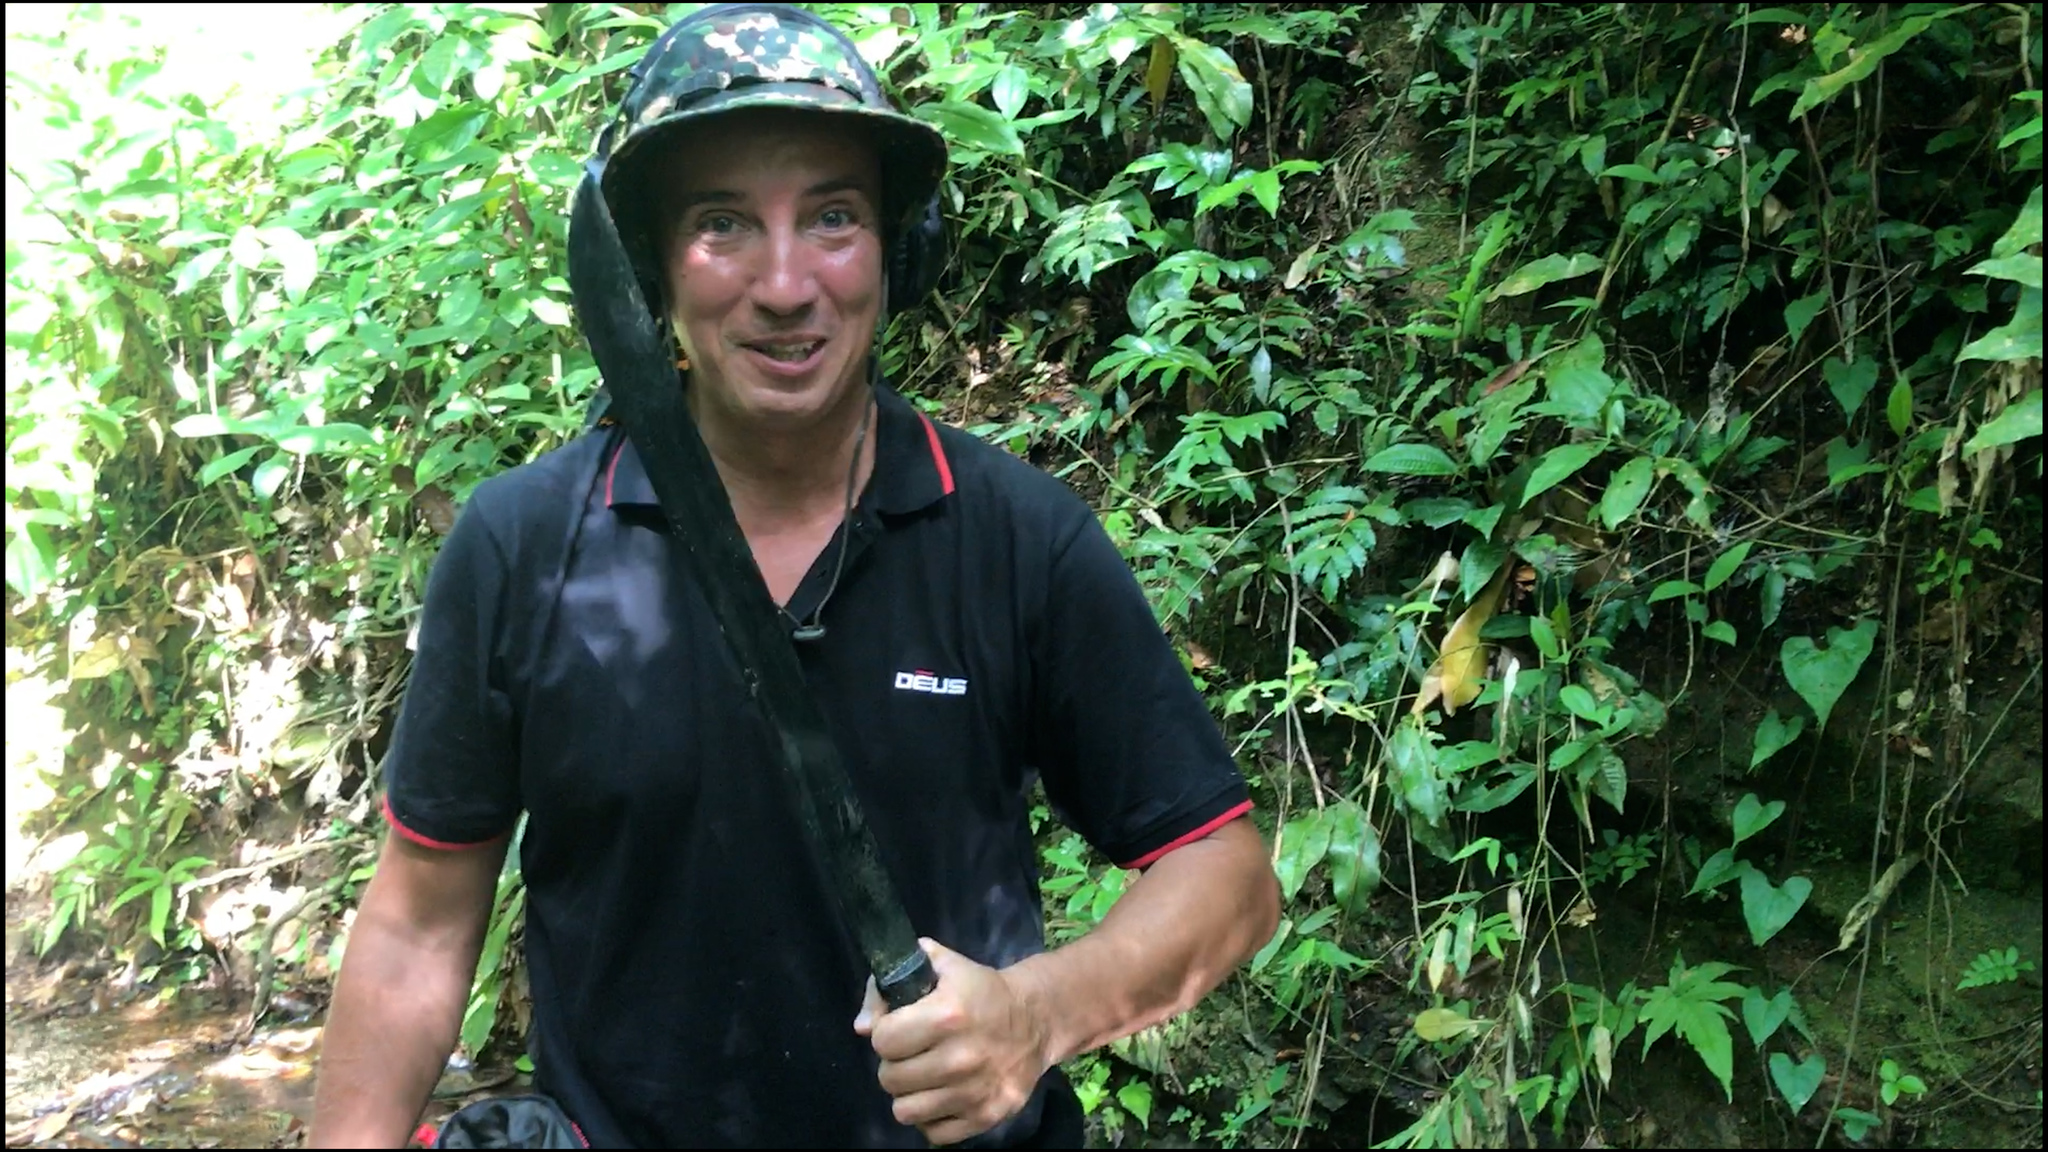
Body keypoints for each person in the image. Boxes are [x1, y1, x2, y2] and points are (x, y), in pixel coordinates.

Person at [310, 4, 1278, 1148]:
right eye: (723, 225)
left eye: (832, 217)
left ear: (893, 252)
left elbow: (1226, 874)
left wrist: (1037, 1013)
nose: (783, 283)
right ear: (650, 269)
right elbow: (420, 927)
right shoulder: (525, 542)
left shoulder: (1014, 537)